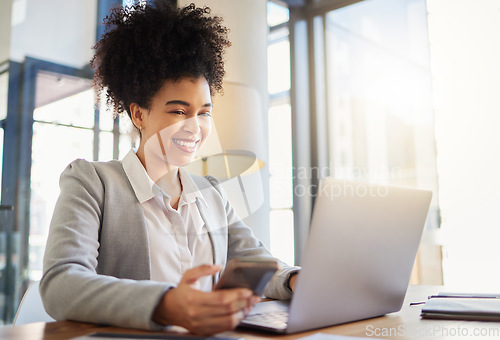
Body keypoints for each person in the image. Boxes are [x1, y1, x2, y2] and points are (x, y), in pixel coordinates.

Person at [40, 1, 300, 335]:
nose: (195, 128)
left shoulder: (211, 193)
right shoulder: (93, 183)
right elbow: (61, 285)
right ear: (139, 115)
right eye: (178, 112)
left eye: (203, 112)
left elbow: (260, 264)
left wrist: (294, 279)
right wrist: (167, 304)